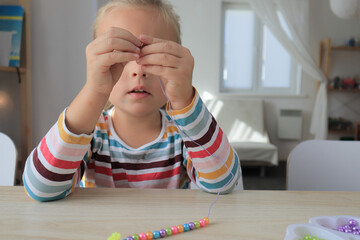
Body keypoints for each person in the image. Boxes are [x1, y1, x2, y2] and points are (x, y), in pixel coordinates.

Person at [23, 0, 242, 202]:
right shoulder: (92, 133)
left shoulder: (182, 133)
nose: (138, 71)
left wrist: (185, 100)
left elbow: (224, 183)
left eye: (153, 58)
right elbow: (40, 187)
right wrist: (94, 91)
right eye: (120, 56)